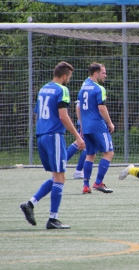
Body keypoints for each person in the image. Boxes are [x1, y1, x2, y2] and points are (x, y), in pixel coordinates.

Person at [20, 61, 85, 229]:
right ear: (64, 76)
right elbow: (63, 116)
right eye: (69, 77)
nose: (68, 80)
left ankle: (31, 203)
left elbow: (38, 114)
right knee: (60, 177)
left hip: (41, 135)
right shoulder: (62, 90)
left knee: (57, 176)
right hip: (53, 136)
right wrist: (78, 136)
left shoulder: (43, 89)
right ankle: (52, 219)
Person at [77, 62, 115, 194]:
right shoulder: (99, 88)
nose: (105, 75)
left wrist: (82, 124)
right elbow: (101, 108)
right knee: (109, 152)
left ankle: (86, 185)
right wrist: (110, 123)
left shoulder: (83, 88)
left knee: (90, 155)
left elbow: (78, 107)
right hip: (98, 125)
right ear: (95, 73)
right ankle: (98, 182)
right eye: (103, 73)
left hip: (86, 126)